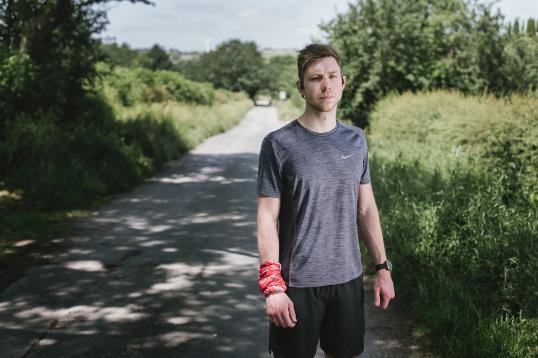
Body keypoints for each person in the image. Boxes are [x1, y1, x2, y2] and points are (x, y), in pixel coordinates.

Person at [256, 43, 395, 358]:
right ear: (301, 87)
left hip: (347, 280)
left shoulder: (356, 140)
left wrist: (382, 269)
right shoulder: (279, 144)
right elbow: (267, 217)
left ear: (343, 82)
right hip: (297, 283)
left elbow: (366, 208)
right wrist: (273, 286)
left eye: (333, 76)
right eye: (316, 77)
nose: (326, 84)